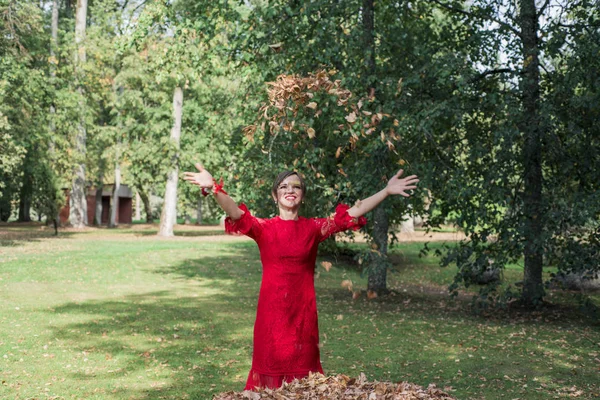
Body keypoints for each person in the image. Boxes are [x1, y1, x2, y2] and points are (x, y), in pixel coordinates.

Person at [183, 164, 419, 391]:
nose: (289, 191)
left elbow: (351, 213)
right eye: (283, 187)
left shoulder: (313, 228)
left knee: (304, 384)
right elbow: (234, 211)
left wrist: (386, 191)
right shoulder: (263, 228)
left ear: (302, 195)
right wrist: (213, 187)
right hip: (271, 316)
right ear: (275, 195)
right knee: (268, 385)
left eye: (295, 187)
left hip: (303, 317)